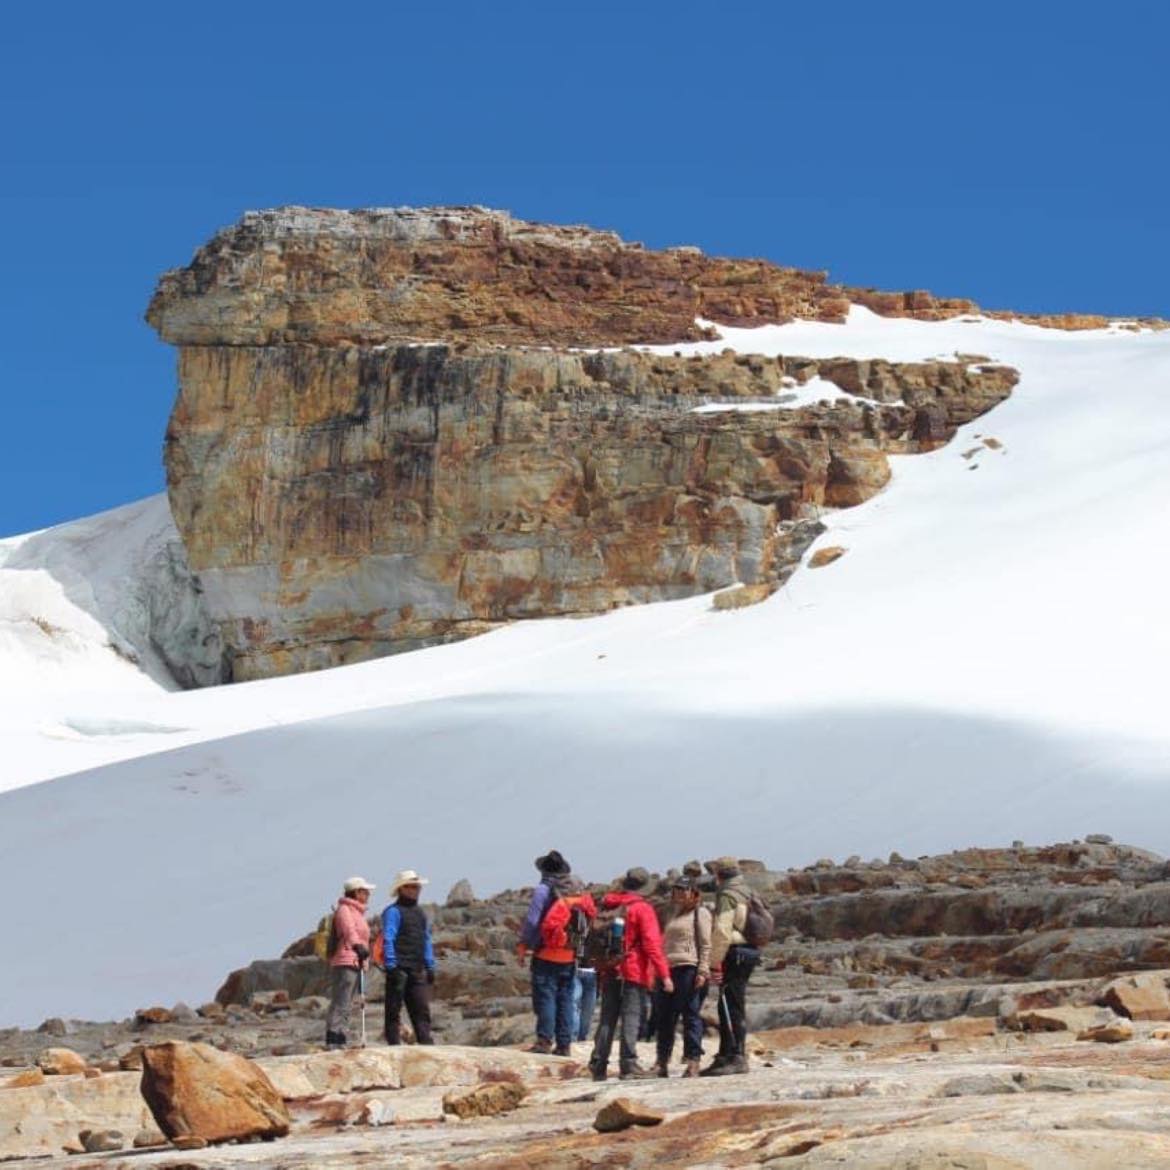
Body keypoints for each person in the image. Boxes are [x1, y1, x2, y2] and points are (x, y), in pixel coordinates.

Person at [588, 867, 672, 1081]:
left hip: (610, 968)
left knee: (607, 1017)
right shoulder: (642, 908)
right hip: (633, 969)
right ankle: (628, 1063)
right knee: (631, 1017)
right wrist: (664, 974)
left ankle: (598, 1064)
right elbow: (652, 944)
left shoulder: (609, 903)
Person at [517, 851, 594, 1055]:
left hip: (547, 952)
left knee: (546, 997)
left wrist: (524, 945)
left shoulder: (543, 890)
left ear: (543, 870)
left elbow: (533, 921)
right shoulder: (575, 890)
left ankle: (544, 1041)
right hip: (570, 953)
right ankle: (564, 1045)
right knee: (566, 999)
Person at [702, 856, 757, 1075]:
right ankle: (726, 1054)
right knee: (734, 1003)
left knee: (729, 1006)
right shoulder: (747, 891)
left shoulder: (728, 894)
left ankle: (735, 1056)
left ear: (719, 874)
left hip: (734, 953)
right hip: (749, 952)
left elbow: (723, 931)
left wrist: (713, 962)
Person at [654, 877, 712, 1077]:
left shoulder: (700, 913)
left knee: (690, 1014)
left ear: (693, 893)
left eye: (684, 890)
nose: (679, 894)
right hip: (668, 968)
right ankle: (662, 1062)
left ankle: (693, 1061)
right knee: (664, 1017)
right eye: (676, 890)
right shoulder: (673, 913)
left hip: (689, 967)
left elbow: (706, 944)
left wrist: (703, 970)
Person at [382, 869, 436, 1045]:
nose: (416, 890)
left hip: (417, 967)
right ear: (402, 889)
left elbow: (426, 939)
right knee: (393, 1009)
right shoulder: (393, 911)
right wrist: (391, 965)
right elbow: (388, 937)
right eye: (412, 887)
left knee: (421, 1010)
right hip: (398, 967)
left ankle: (426, 1043)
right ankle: (394, 1044)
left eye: (417, 887)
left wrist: (430, 964)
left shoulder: (420, 913)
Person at [325, 876, 375, 1049]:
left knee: (347, 1003)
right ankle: (333, 1037)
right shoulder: (345, 910)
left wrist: (364, 956)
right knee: (341, 1001)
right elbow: (349, 931)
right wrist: (358, 946)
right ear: (357, 892)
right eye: (365, 891)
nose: (368, 894)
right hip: (346, 960)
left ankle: (341, 1036)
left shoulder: (358, 913)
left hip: (356, 961)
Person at [572, 964, 598, 1043]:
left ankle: (581, 1037)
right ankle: (573, 1037)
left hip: (592, 972)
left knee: (588, 1009)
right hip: (575, 970)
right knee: (573, 1005)